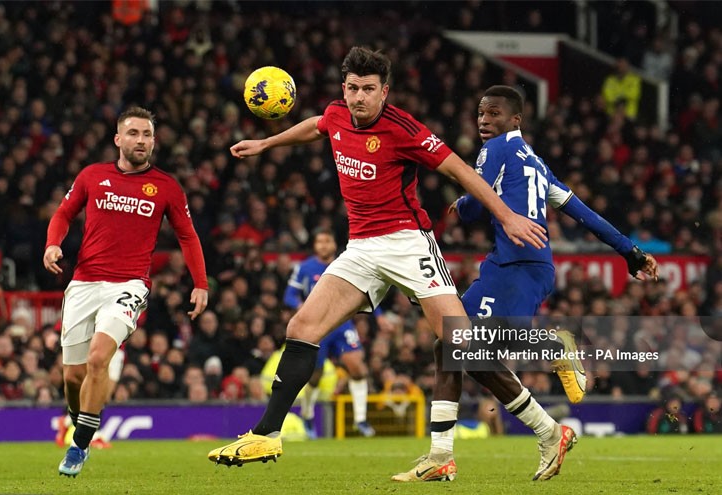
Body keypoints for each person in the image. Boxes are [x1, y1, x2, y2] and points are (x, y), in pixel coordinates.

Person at [207, 46, 548, 468]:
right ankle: (266, 435)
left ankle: (547, 430)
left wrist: (508, 216)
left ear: (385, 92)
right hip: (362, 249)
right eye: (352, 88)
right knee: (302, 326)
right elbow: (317, 125)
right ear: (343, 89)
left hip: (408, 243)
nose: (359, 98)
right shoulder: (336, 115)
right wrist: (267, 142)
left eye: (369, 89)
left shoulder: (405, 129)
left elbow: (460, 170)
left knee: (460, 345)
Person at [392, 85, 659, 482]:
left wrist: (462, 207)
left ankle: (556, 345)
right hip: (516, 266)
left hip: (518, 266)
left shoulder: (496, 150)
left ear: (515, 120)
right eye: (481, 113)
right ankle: (443, 454)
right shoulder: (535, 162)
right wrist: (630, 251)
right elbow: (582, 212)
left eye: (495, 113)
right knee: (450, 346)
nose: (485, 120)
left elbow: (476, 197)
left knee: (490, 344)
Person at [43, 106, 208, 477]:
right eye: (133, 133)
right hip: (84, 283)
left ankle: (80, 444)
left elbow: (187, 235)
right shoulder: (92, 176)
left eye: (147, 135)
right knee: (73, 376)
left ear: (154, 141)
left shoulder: (165, 186)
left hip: (129, 284)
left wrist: (201, 283)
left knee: (100, 358)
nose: (141, 141)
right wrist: (53, 245)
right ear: (118, 139)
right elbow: (63, 214)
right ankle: (80, 418)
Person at [284, 228, 375, 438]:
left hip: (342, 325)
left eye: (327, 241)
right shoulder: (305, 268)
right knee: (314, 376)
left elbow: (366, 292)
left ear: (335, 244)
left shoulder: (347, 263)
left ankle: (361, 420)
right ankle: (307, 415)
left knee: (358, 368)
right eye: (319, 241)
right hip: (317, 326)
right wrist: (301, 308)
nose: (323, 245)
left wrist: (377, 317)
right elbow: (289, 296)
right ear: (315, 245)